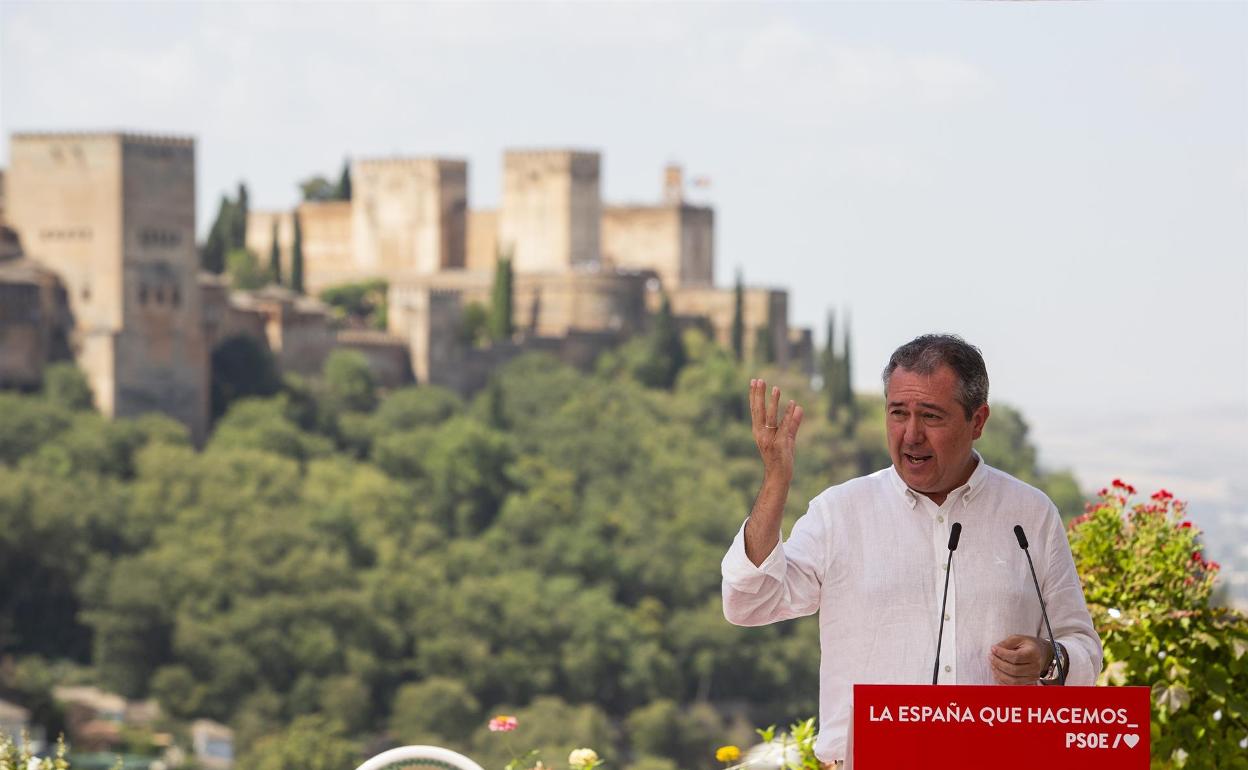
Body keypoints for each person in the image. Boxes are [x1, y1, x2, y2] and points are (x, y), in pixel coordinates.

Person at [721, 334, 1102, 766]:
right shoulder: (840, 512)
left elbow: (1083, 647)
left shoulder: (1031, 515)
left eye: (931, 416)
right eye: (898, 413)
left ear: (977, 421)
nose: (911, 434)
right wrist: (775, 482)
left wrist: (1050, 659)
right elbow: (747, 604)